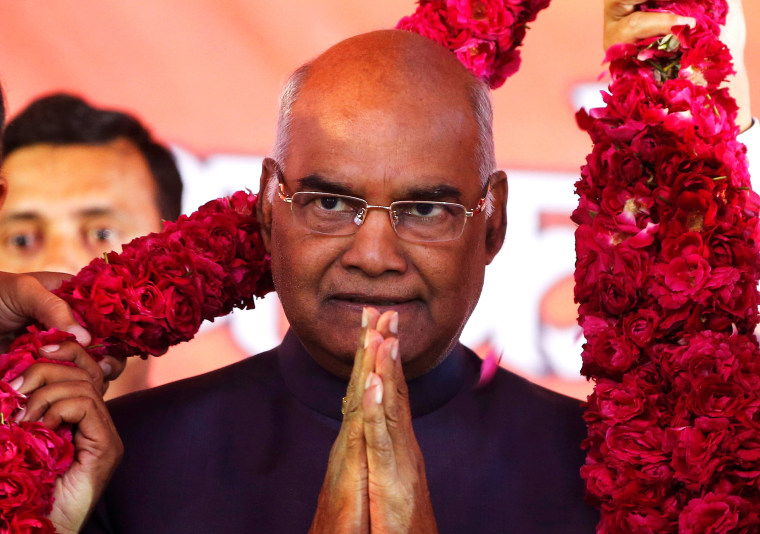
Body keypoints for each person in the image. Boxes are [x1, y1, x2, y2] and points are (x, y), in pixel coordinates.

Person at [0, 1, 752, 532]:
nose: (373, 254)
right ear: (268, 206)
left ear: (491, 221)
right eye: (331, 203)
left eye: (426, 210)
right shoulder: (117, 465)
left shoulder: (617, 482)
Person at [0, 93, 183, 397]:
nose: (56, 265)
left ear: (175, 262)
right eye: (21, 239)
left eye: (101, 234)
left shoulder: (232, 443)